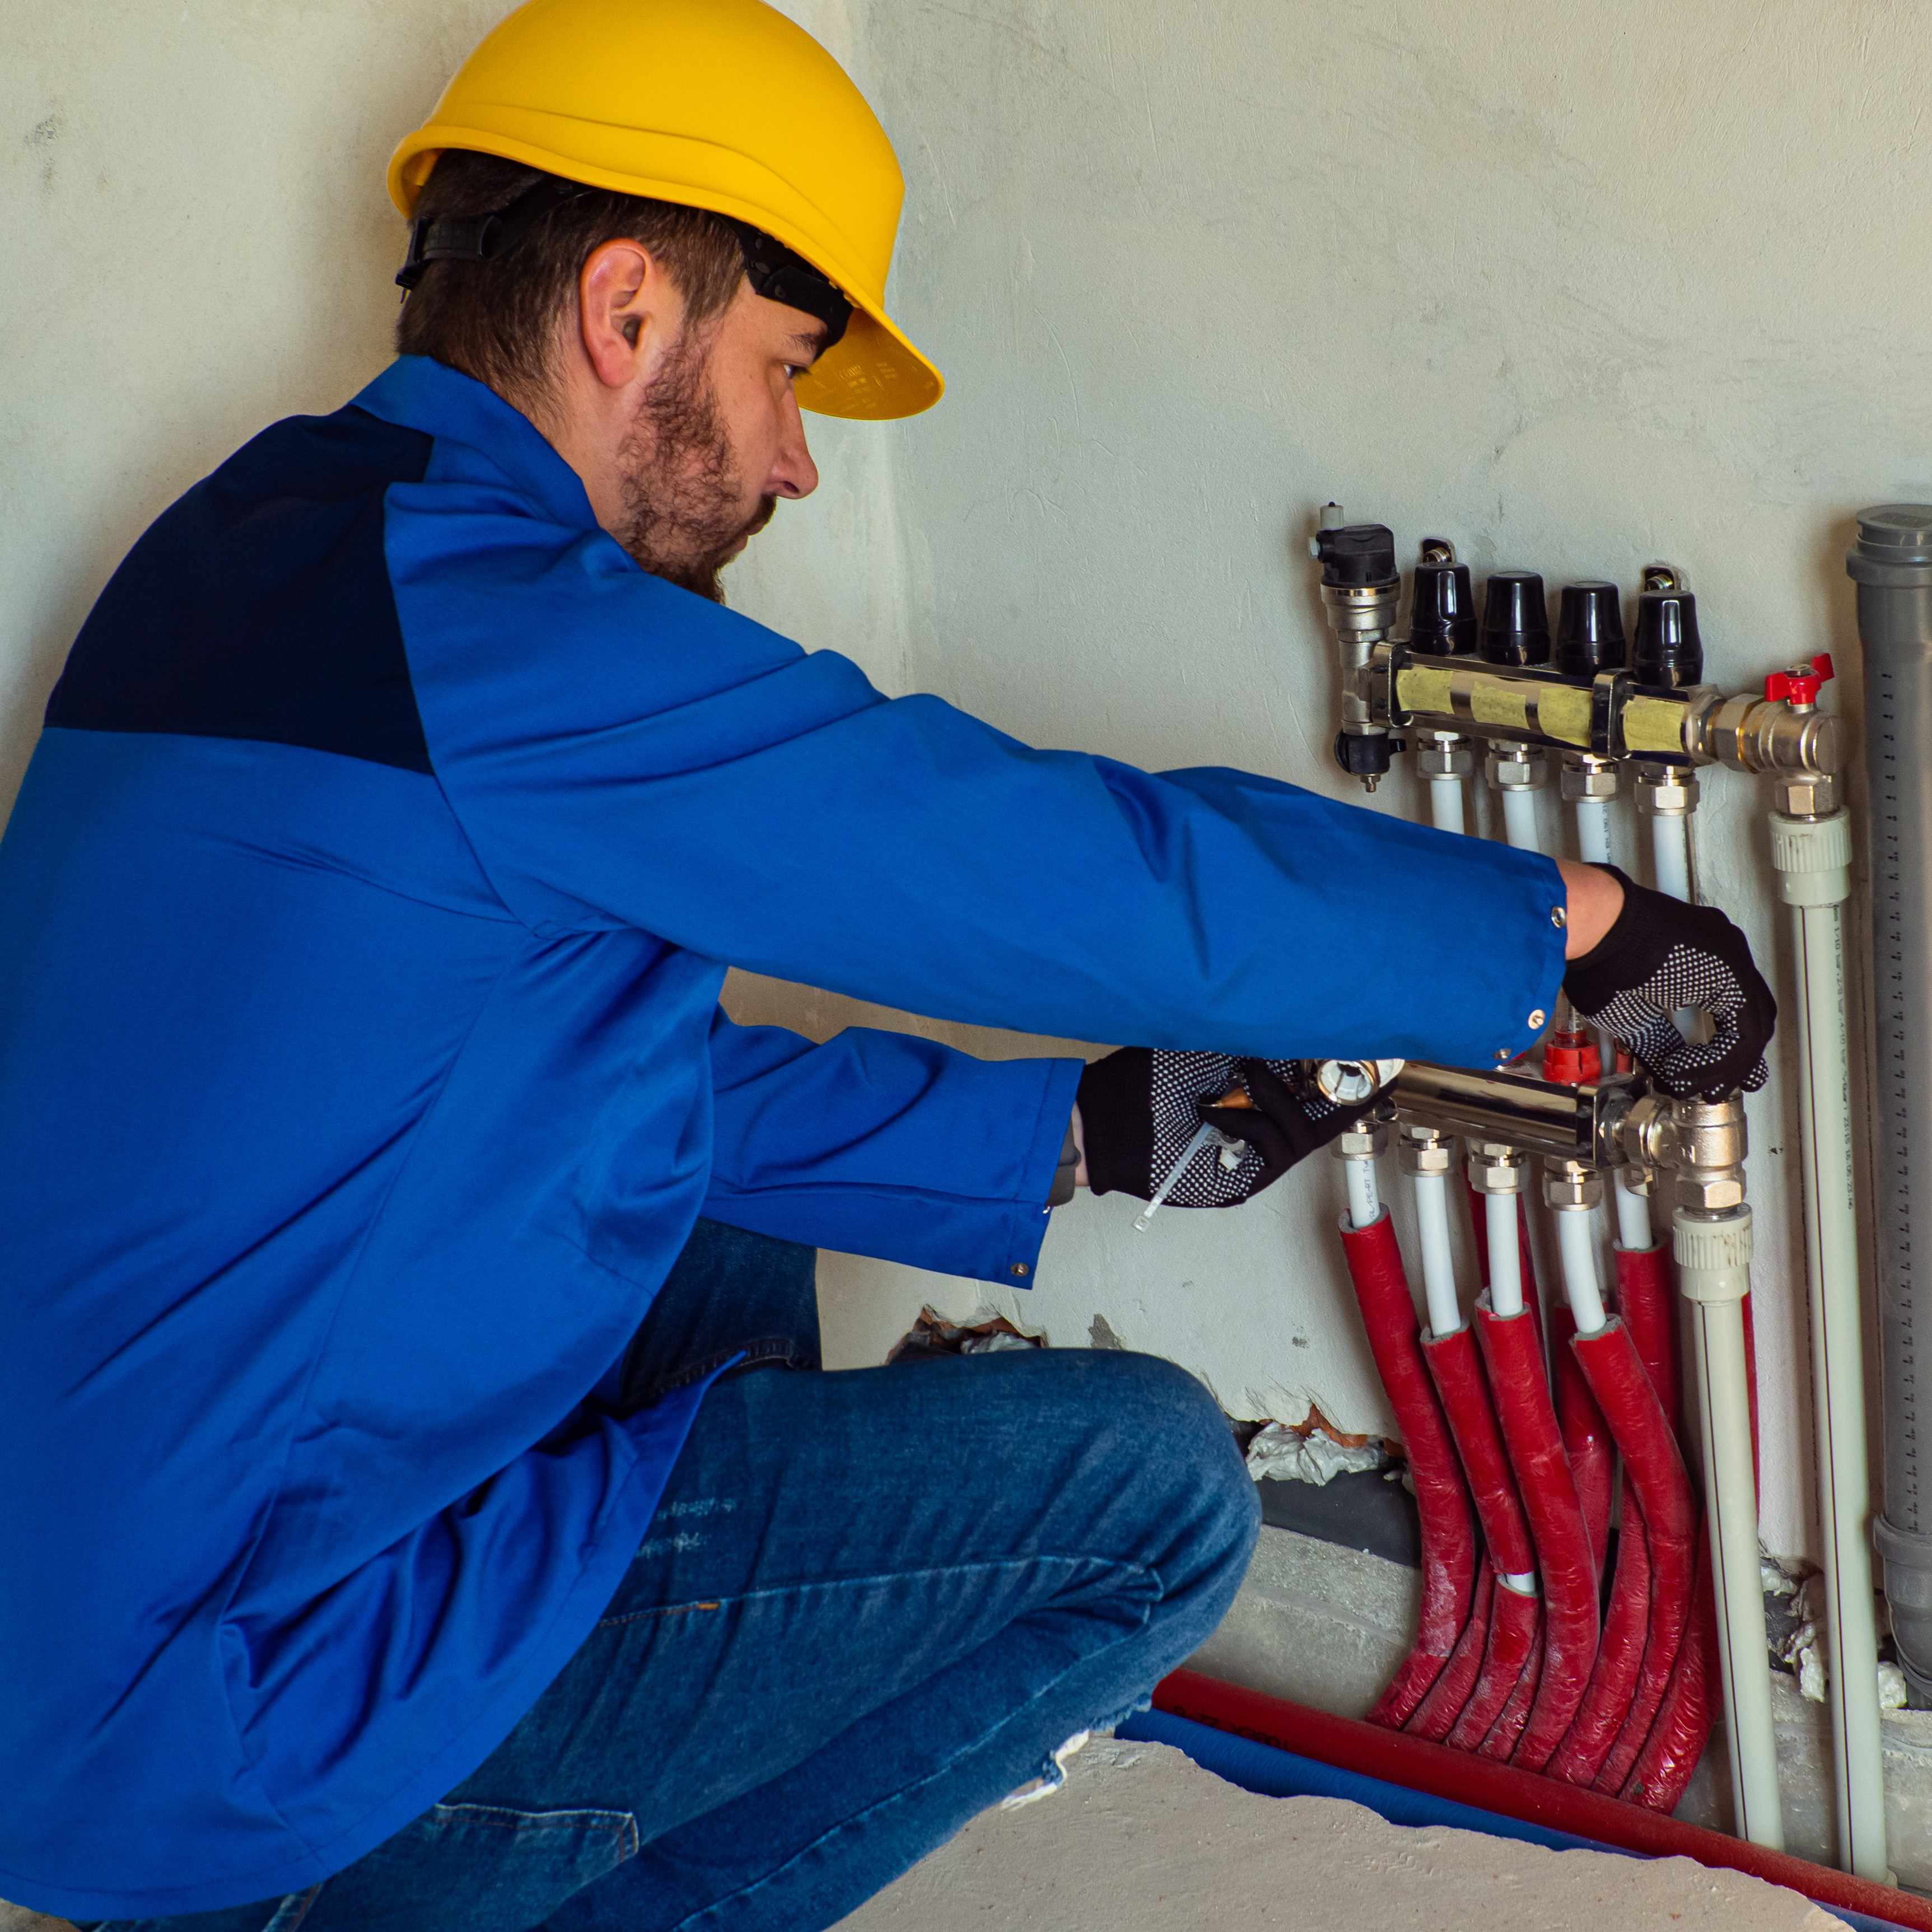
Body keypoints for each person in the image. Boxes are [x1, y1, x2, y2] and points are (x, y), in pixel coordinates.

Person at [0, 2, 1774, 1926]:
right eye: (780, 374)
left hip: (74, 1659)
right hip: (226, 1737)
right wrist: (1560, 935)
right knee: (1159, 1499)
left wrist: (1074, 1134)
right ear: (623, 312)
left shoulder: (245, 547)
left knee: (701, 1218)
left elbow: (553, 1094)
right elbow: (1023, 853)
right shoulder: (503, 633)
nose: (794, 466)